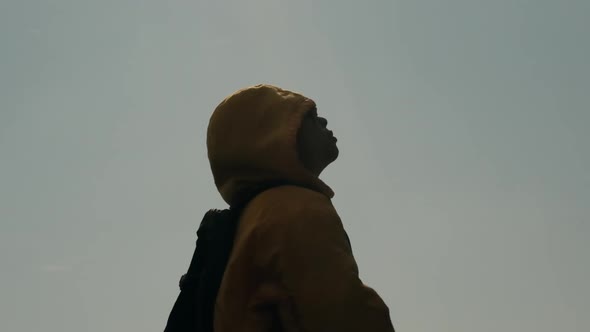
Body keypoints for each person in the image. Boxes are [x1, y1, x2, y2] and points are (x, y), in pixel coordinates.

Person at [207, 84, 395, 331]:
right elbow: (341, 315)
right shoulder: (295, 209)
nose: (325, 120)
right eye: (311, 115)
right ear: (272, 134)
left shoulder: (257, 214)